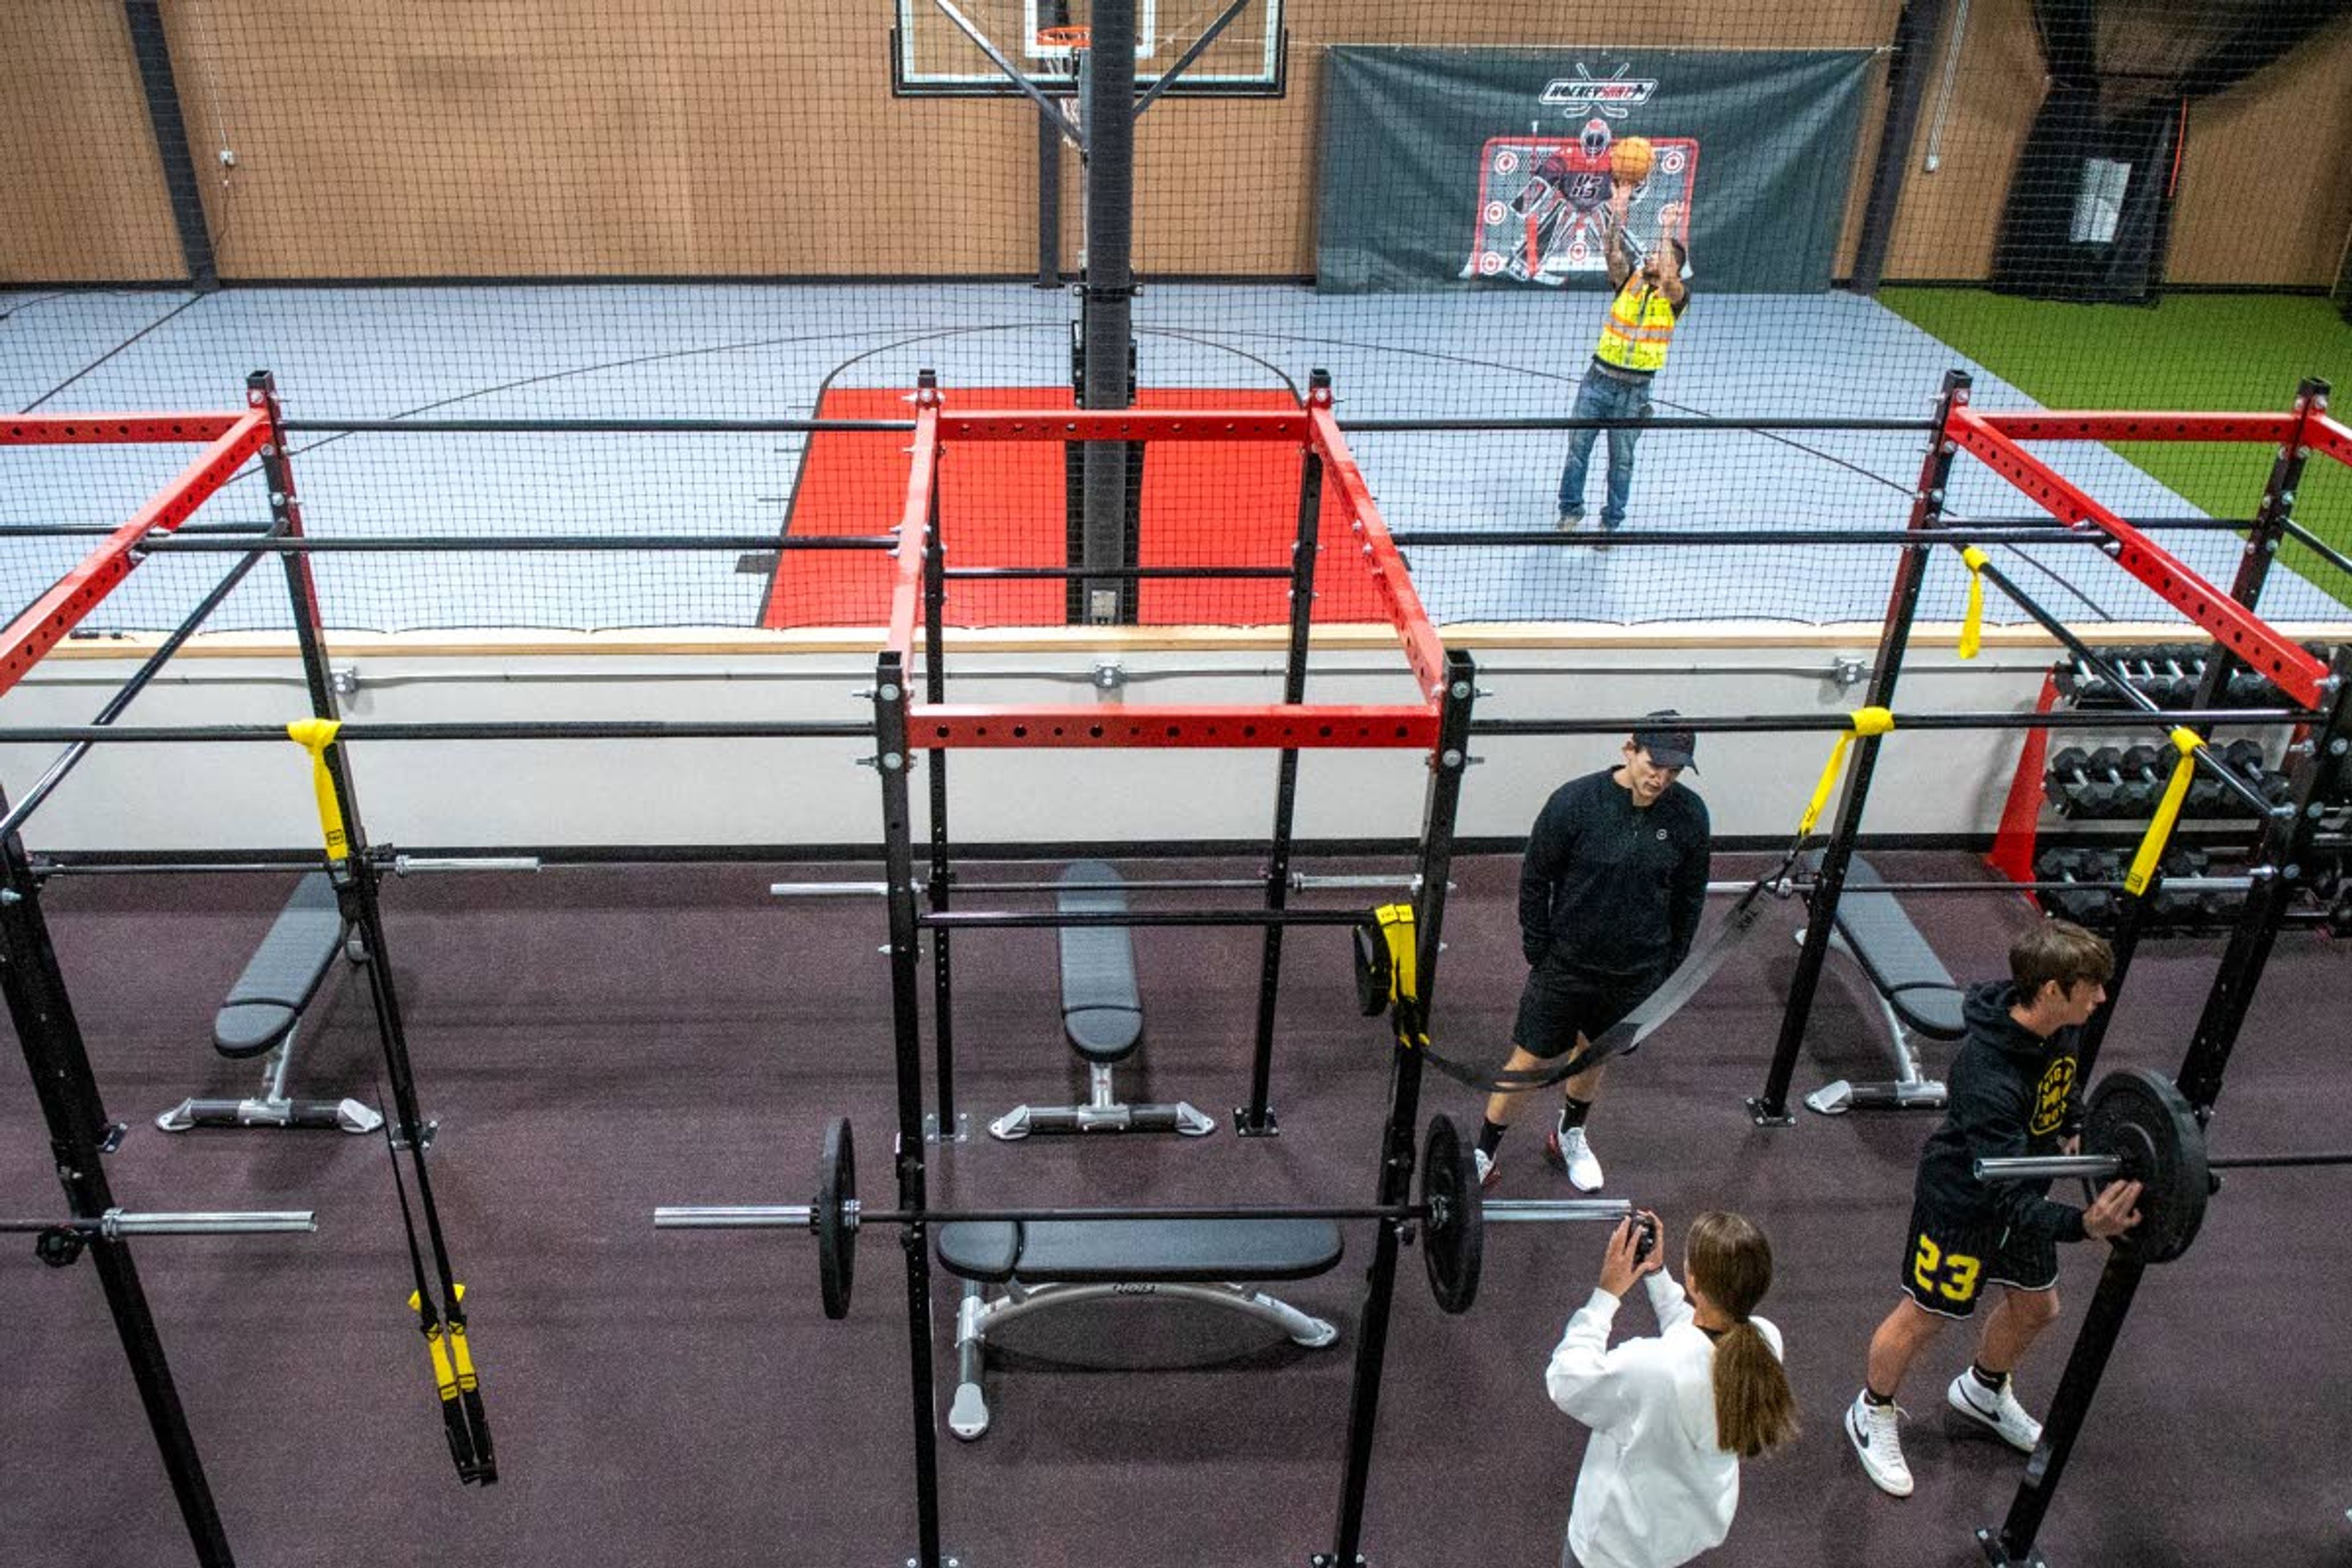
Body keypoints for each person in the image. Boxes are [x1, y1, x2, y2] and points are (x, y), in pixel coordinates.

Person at [1845, 919, 2144, 1498]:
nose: (2102, 998)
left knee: (2038, 1308)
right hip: (1965, 1206)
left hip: (2023, 1191)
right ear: (2053, 989)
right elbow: (2002, 1192)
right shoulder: (1988, 1075)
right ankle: (1871, 1410)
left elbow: (2066, 1079)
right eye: (2092, 988)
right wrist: (2083, 1226)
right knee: (1925, 1316)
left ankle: (1983, 1391)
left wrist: (2077, 1121)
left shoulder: (2062, 1024)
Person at [1475, 712, 1709, 1193]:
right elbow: (1535, 877)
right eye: (1653, 764)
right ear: (1629, 749)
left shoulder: (1689, 815)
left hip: (1636, 970)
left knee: (1594, 1055)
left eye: (1674, 772)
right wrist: (1538, 947)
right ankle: (1485, 1151)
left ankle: (1570, 1135)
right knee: (1529, 1059)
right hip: (1567, 964)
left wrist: (1670, 967)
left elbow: (1690, 897)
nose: (1660, 778)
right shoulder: (1575, 803)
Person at [1545, 1210, 1798, 1568]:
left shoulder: (1652, 1369)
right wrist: (1656, 1274)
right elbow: (1696, 1334)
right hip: (1679, 1538)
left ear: (1693, 1281)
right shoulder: (1765, 1342)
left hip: (1612, 1552)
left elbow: (1566, 1380)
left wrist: (1606, 1295)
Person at [1557, 189, 1688, 542]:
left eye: (1660, 255)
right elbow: (1611, 252)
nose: (1651, 257)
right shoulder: (1628, 281)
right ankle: (1570, 512)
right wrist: (1617, 213)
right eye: (1651, 253)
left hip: (1634, 394)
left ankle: (1610, 523)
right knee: (1577, 452)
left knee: (1622, 463)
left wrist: (1667, 230)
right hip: (1597, 382)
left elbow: (1671, 281)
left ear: (1674, 266)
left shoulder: (1676, 297)